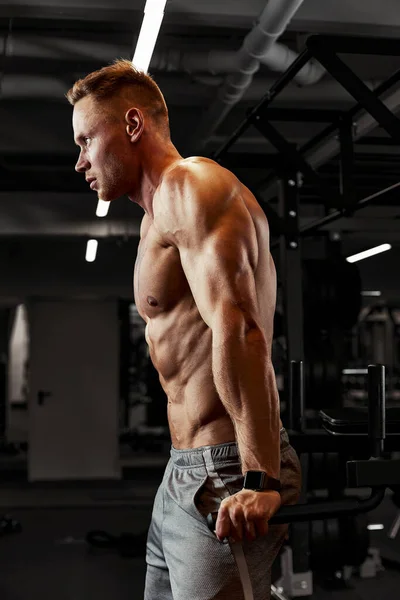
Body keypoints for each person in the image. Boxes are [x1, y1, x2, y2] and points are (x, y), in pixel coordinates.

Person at [67, 59, 301, 600]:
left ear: (131, 126)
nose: (79, 161)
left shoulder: (191, 186)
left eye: (85, 141)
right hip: (183, 471)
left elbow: (238, 328)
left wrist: (260, 479)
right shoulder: (155, 218)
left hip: (228, 470)